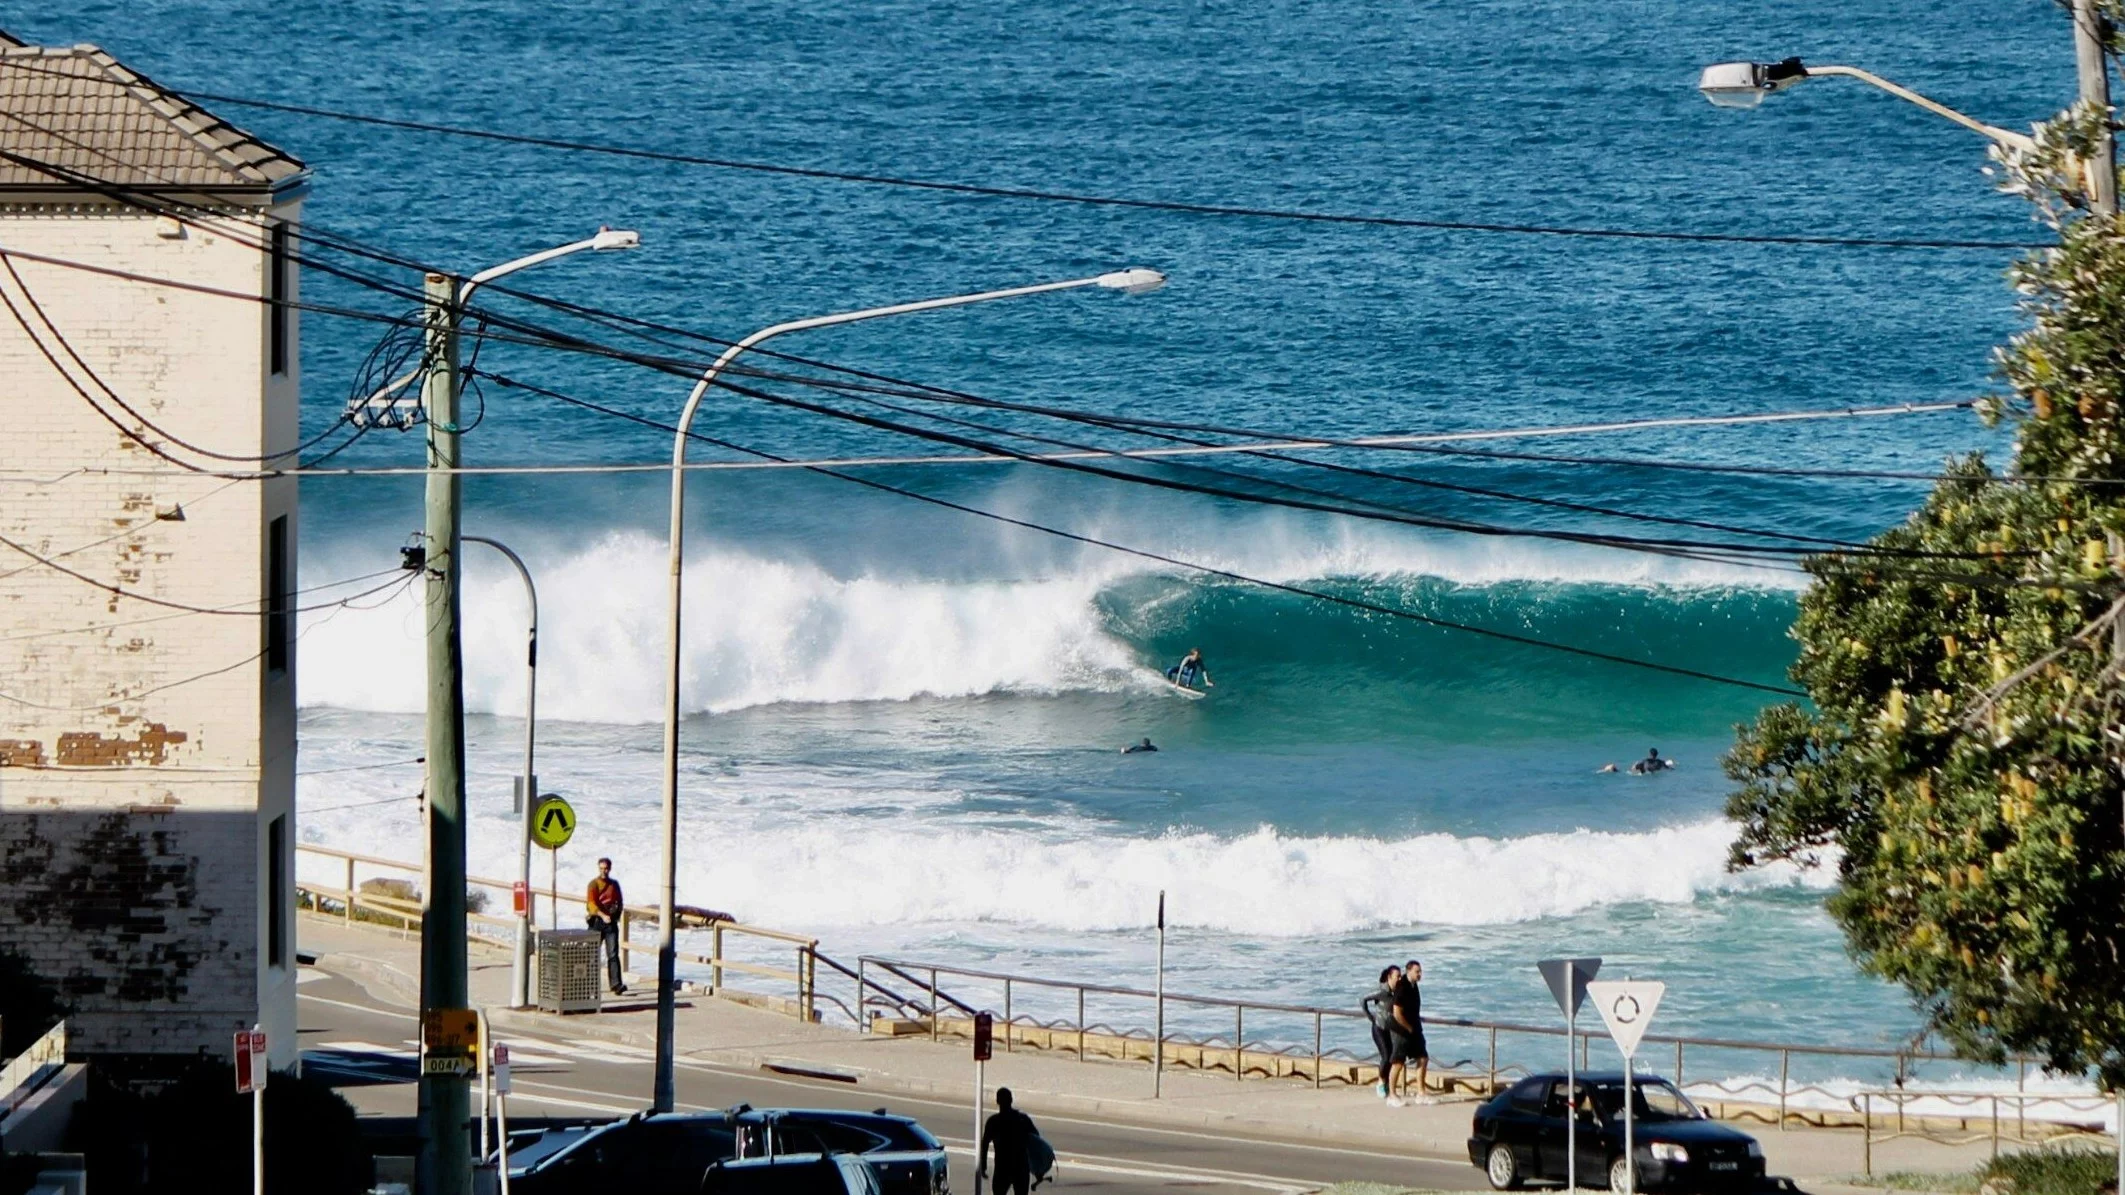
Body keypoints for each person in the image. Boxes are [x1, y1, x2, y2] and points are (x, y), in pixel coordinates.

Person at [979, 1086, 1041, 1195]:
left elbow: (985, 1144)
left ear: (997, 1101)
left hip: (1002, 1168)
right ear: (1011, 1100)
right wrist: (1038, 1170)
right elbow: (1036, 1142)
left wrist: (983, 1165)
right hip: (1021, 1167)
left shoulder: (993, 1122)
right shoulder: (1023, 1119)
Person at [1360, 965, 1407, 1106]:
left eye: (1400, 976)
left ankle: (1386, 1083)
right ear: (1389, 977)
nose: (1399, 979)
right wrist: (1369, 1016)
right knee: (1386, 1056)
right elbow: (1362, 998)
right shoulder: (1382, 990)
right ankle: (1381, 1082)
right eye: (1397, 976)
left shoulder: (1398, 991)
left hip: (1391, 1028)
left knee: (1392, 1057)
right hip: (1379, 1028)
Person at [585, 857, 627, 995]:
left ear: (610, 868)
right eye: (601, 868)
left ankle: (616, 984)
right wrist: (603, 915)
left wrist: (616, 915)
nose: (604, 871)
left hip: (610, 923)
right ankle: (589, 985)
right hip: (597, 922)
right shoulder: (593, 884)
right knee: (592, 955)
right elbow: (591, 904)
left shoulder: (614, 884)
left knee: (613, 954)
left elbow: (620, 902)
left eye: (606, 868)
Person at [1397, 958, 1432, 1103]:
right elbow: (1397, 1011)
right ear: (1408, 971)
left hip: (1415, 1028)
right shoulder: (1402, 986)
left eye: (1420, 972)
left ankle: (1421, 1092)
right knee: (1397, 1062)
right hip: (1403, 1030)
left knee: (1423, 1058)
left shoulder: (1413, 985)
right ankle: (1392, 1093)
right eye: (1417, 972)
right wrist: (1408, 1027)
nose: (1420, 974)